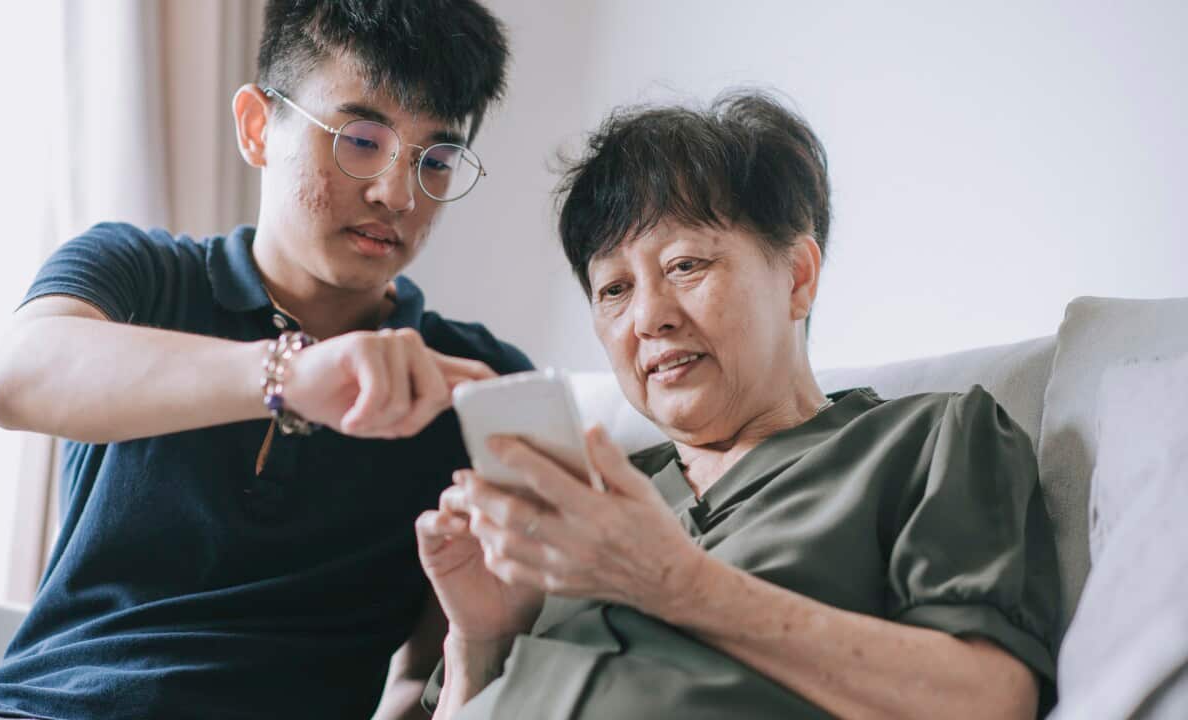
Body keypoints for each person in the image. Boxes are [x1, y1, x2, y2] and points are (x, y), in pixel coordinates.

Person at [0, 2, 529, 719]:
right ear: (258, 127)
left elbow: (425, 681)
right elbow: (14, 377)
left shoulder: (473, 381)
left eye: (436, 160)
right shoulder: (139, 275)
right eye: (361, 139)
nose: (397, 193)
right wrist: (290, 376)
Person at [415, 91, 1061, 719]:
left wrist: (673, 580)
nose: (648, 318)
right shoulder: (586, 501)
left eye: (686, 265)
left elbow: (991, 701)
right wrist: (482, 640)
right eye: (613, 288)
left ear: (798, 277)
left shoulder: (929, 442)